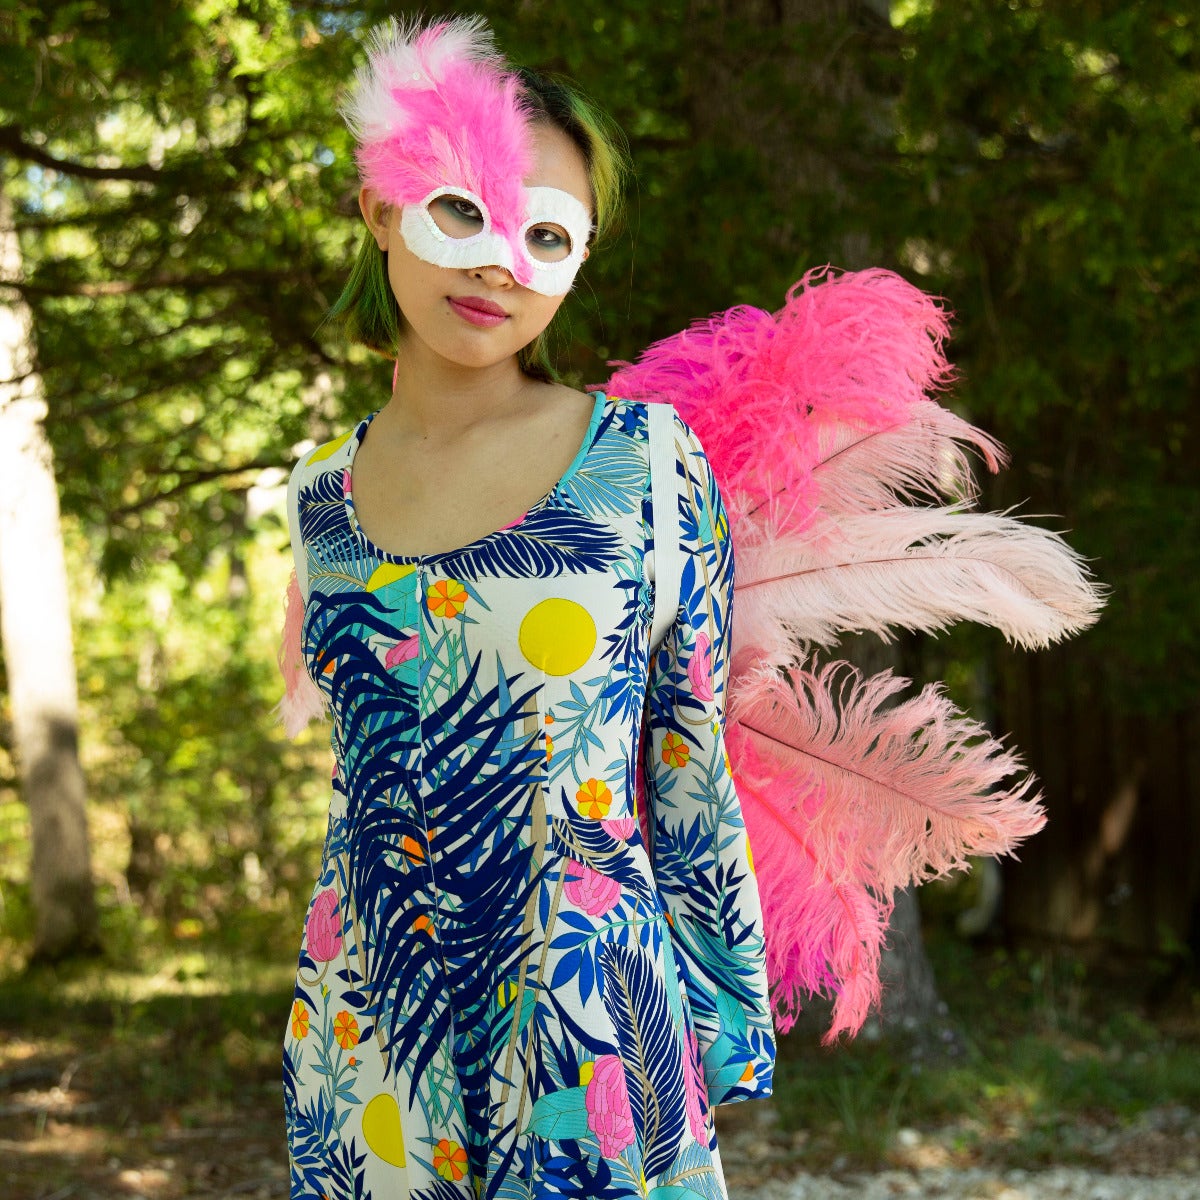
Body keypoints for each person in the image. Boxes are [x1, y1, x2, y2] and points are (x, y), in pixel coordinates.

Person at [280, 17, 775, 1200]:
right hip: (367, 1038)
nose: (501, 264)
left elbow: (691, 757)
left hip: (592, 1038)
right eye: (467, 212)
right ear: (381, 206)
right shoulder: (318, 498)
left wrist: (717, 1030)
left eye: (547, 237)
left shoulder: (643, 465)